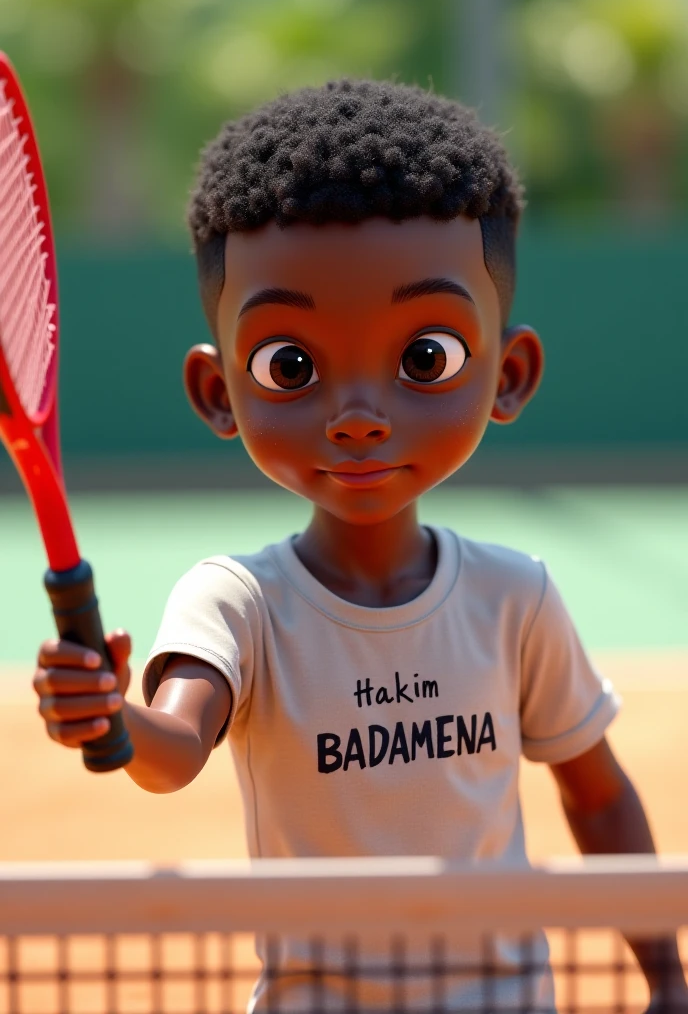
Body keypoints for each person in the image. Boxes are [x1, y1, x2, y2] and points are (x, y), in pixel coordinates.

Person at [33, 79, 686, 1012]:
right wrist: (114, 720)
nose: (359, 418)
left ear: (510, 375)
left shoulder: (516, 597)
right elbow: (176, 747)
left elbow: (597, 796)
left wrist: (665, 974)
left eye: (426, 358)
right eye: (289, 366)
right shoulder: (237, 603)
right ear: (219, 394)